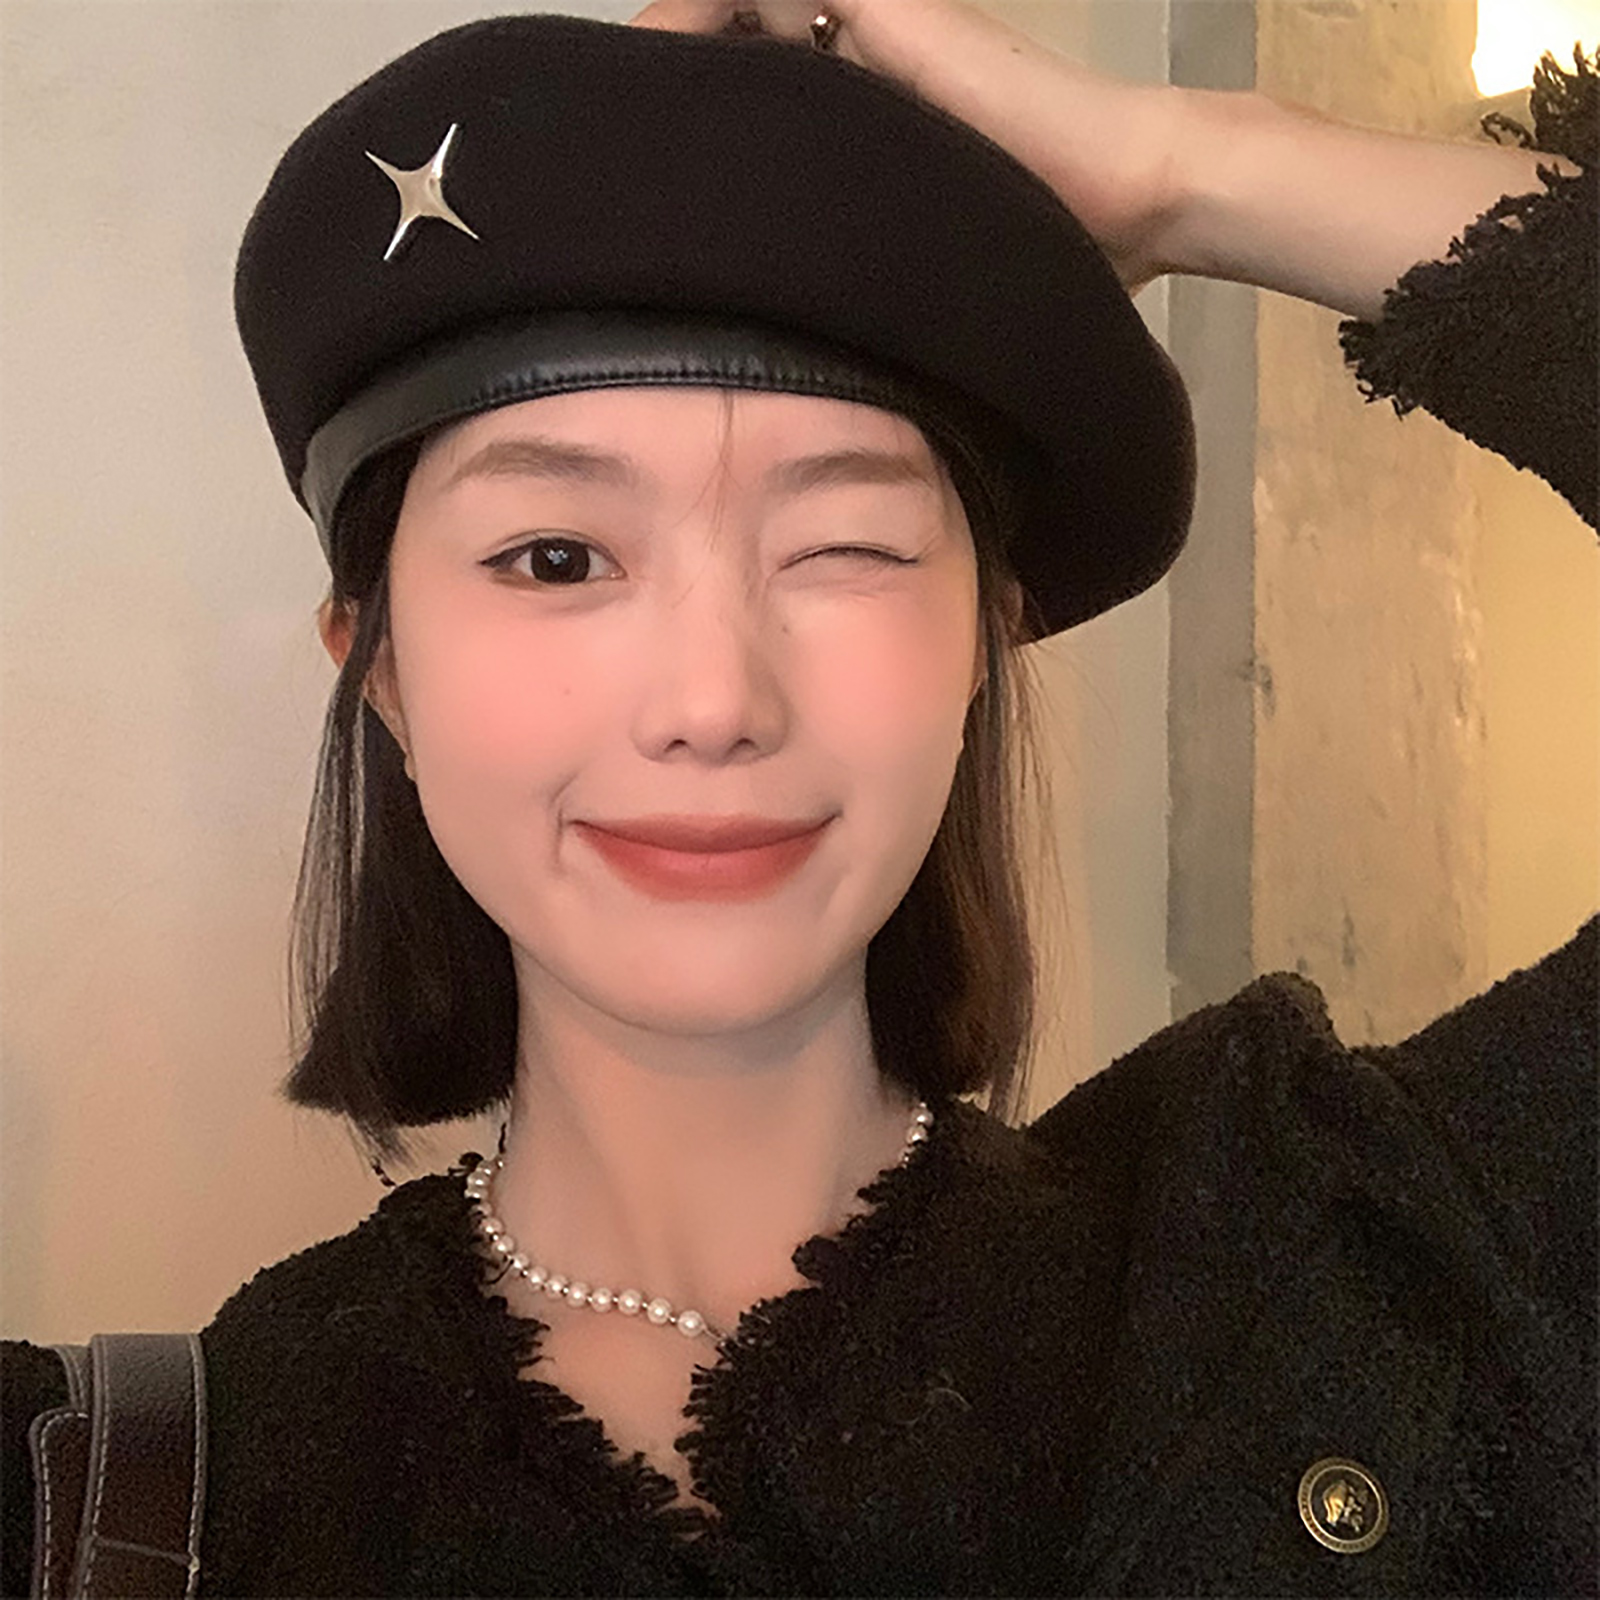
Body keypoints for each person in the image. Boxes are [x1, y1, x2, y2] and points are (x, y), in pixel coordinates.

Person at [3, 2, 1594, 1595]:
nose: (715, 703)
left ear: (984, 644)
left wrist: (1187, 172)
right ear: (386, 671)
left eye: (844, 548)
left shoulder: (1346, 1253)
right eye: (555, 557)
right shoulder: (115, 1492)